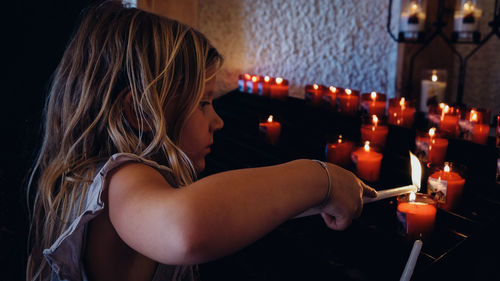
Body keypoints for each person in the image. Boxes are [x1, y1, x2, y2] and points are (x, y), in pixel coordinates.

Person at [26, 1, 377, 281]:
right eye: (204, 103)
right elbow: (185, 229)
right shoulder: (121, 179)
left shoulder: (89, 177)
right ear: (141, 115)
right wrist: (321, 179)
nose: (218, 120)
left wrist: (303, 204)